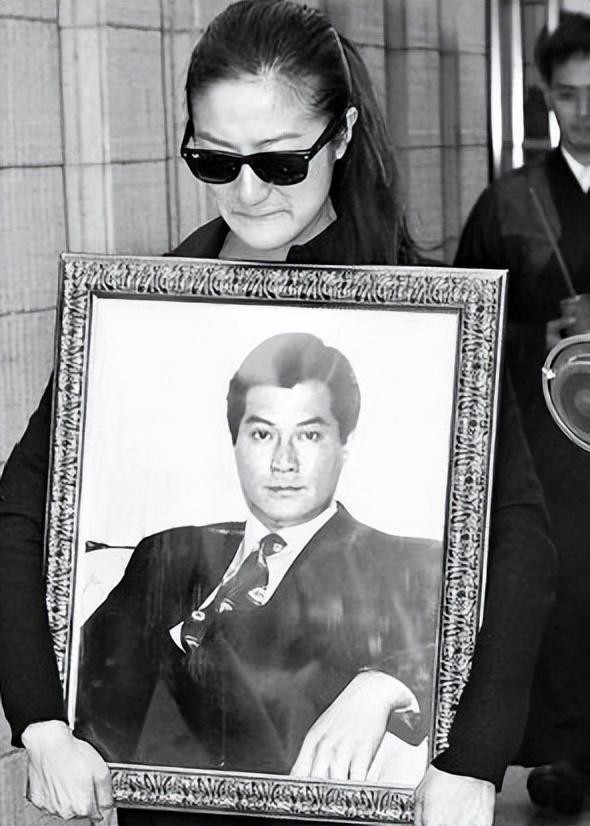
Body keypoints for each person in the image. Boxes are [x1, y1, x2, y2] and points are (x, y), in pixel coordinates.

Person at [0, 1, 556, 825]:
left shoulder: (426, 318)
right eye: (214, 160)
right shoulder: (145, 310)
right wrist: (42, 722)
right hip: (167, 802)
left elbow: (518, 543)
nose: (248, 192)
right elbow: (23, 509)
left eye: (282, 162)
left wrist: (471, 756)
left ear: (341, 135)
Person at [74, 332, 441, 780]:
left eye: (309, 435)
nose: (283, 461)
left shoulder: (406, 564)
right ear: (236, 443)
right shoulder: (168, 551)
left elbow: (479, 661)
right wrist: (48, 734)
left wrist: (385, 683)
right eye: (263, 434)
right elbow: (83, 686)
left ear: (345, 444)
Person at [454, 10, 590, 814]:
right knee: (565, 591)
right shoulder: (509, 202)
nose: (585, 111)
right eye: (569, 94)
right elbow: (472, 322)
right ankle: (570, 754)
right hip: (549, 439)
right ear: (545, 96)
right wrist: (541, 332)